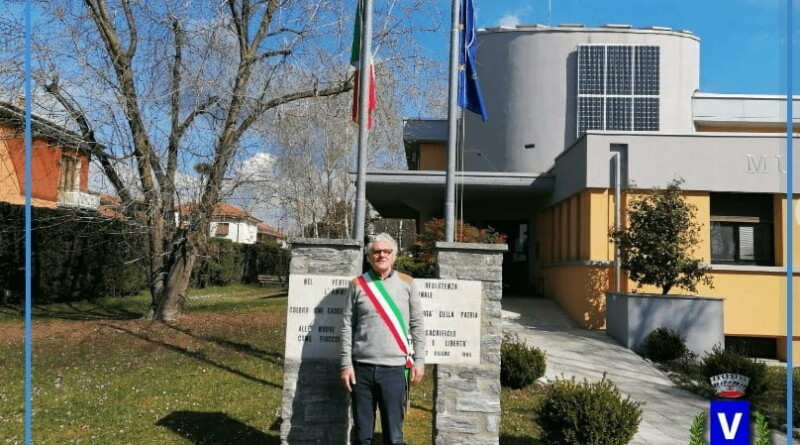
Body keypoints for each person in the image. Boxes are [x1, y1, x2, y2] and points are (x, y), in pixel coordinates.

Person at [340, 233, 426, 445]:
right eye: (377, 251)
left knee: (394, 436)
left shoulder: (408, 283)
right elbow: (346, 327)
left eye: (386, 251)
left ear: (394, 255)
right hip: (361, 370)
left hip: (395, 370)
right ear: (369, 256)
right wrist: (345, 364)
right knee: (362, 435)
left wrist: (420, 361)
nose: (382, 255)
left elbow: (417, 325)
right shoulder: (358, 284)